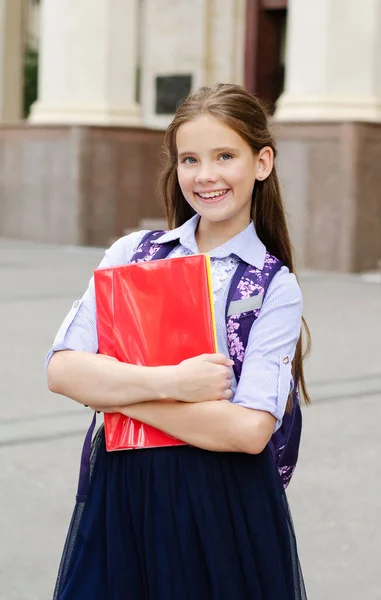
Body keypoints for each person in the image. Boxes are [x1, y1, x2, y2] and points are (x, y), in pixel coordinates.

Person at [47, 83, 310, 600]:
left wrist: (117, 396)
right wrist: (176, 382)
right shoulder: (132, 253)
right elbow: (63, 370)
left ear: (262, 163)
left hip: (223, 502)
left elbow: (249, 431)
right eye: (190, 159)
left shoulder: (272, 284)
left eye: (225, 156)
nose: (206, 175)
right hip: (125, 490)